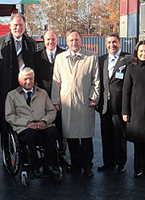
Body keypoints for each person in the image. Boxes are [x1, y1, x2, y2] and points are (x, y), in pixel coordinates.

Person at [51, 30, 100, 177]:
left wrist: (94, 98)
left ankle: (87, 165)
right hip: (67, 104)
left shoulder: (91, 58)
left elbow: (96, 80)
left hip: (85, 102)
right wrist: (56, 101)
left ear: (81, 40)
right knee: (71, 136)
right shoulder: (60, 58)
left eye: (77, 39)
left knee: (85, 136)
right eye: (71, 40)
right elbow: (56, 81)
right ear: (66, 42)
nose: (74, 42)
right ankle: (75, 163)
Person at [0, 13, 37, 148]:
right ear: (10, 25)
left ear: (25, 26)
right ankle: (7, 149)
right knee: (6, 120)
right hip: (7, 89)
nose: (18, 28)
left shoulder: (31, 43)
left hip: (26, 89)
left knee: (26, 119)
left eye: (21, 25)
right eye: (15, 25)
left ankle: (25, 150)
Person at [5, 67, 58, 178]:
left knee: (53, 131)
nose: (28, 82)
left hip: (42, 125)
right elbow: (9, 116)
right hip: (25, 128)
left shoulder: (42, 93)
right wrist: (27, 123)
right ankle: (34, 166)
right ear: (19, 81)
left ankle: (48, 164)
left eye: (31, 79)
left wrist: (44, 121)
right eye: (25, 79)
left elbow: (52, 111)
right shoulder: (12, 95)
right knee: (30, 134)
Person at [122, 40, 145, 177]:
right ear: (136, 52)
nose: (144, 53)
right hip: (135, 110)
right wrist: (125, 111)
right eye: (141, 51)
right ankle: (138, 168)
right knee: (138, 142)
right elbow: (126, 91)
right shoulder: (131, 68)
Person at [97, 33, 132, 172]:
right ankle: (108, 162)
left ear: (119, 43)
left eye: (115, 42)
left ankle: (121, 163)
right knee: (106, 136)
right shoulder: (101, 60)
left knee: (120, 135)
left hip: (120, 104)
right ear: (106, 45)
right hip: (105, 105)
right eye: (109, 43)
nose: (112, 45)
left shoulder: (128, 59)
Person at [34, 30, 69, 166]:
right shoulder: (36, 56)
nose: (51, 42)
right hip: (43, 97)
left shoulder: (64, 54)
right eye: (48, 39)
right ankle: (46, 155)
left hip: (61, 97)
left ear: (57, 40)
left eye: (53, 39)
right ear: (44, 40)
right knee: (45, 126)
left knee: (61, 127)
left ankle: (61, 156)